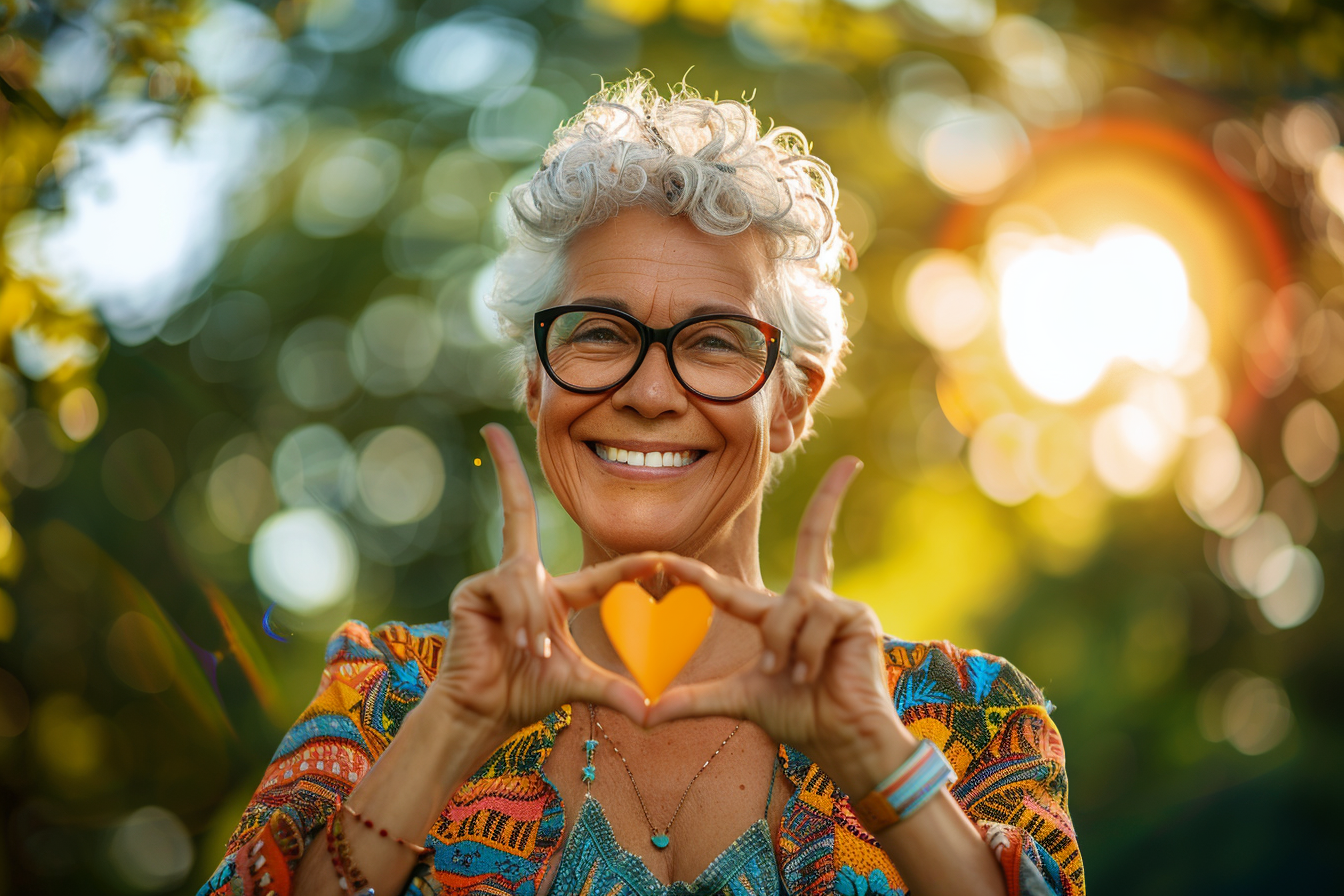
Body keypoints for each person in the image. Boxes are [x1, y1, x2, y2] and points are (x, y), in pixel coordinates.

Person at [199, 76, 1083, 896]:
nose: (650, 393)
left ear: (791, 405)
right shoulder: (389, 693)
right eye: (599, 334)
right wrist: (448, 732)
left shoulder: (974, 720)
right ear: (537, 382)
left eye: (713, 342)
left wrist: (874, 761)